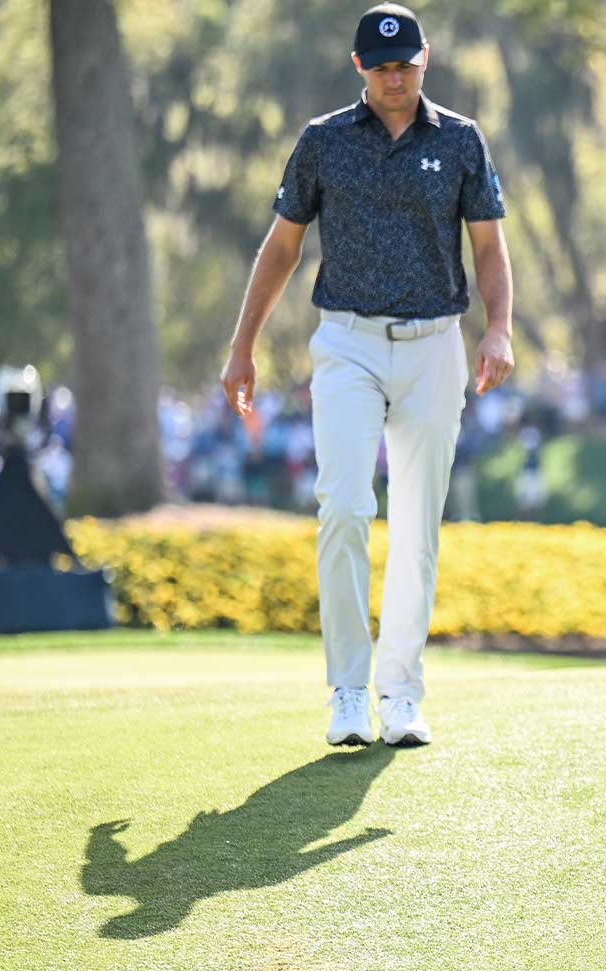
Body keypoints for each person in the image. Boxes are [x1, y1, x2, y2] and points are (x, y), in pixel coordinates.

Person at [220, 4, 514, 747]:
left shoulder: (460, 140)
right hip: (347, 341)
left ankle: (400, 692)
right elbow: (282, 246)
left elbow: (487, 246)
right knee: (345, 507)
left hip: (434, 344)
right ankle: (348, 691)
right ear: (359, 67)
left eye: (405, 64)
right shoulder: (323, 141)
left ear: (426, 59)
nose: (395, 78)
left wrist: (499, 329)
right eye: (381, 67)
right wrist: (242, 345)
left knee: (416, 526)